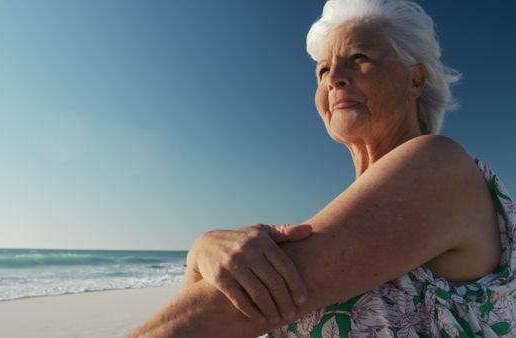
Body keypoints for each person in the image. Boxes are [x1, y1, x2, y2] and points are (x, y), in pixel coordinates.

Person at [126, 0, 516, 336]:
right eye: (323, 71)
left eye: (359, 58)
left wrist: (202, 258)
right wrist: (202, 252)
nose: (335, 78)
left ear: (414, 81)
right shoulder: (346, 218)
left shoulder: (437, 164)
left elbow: (230, 311)